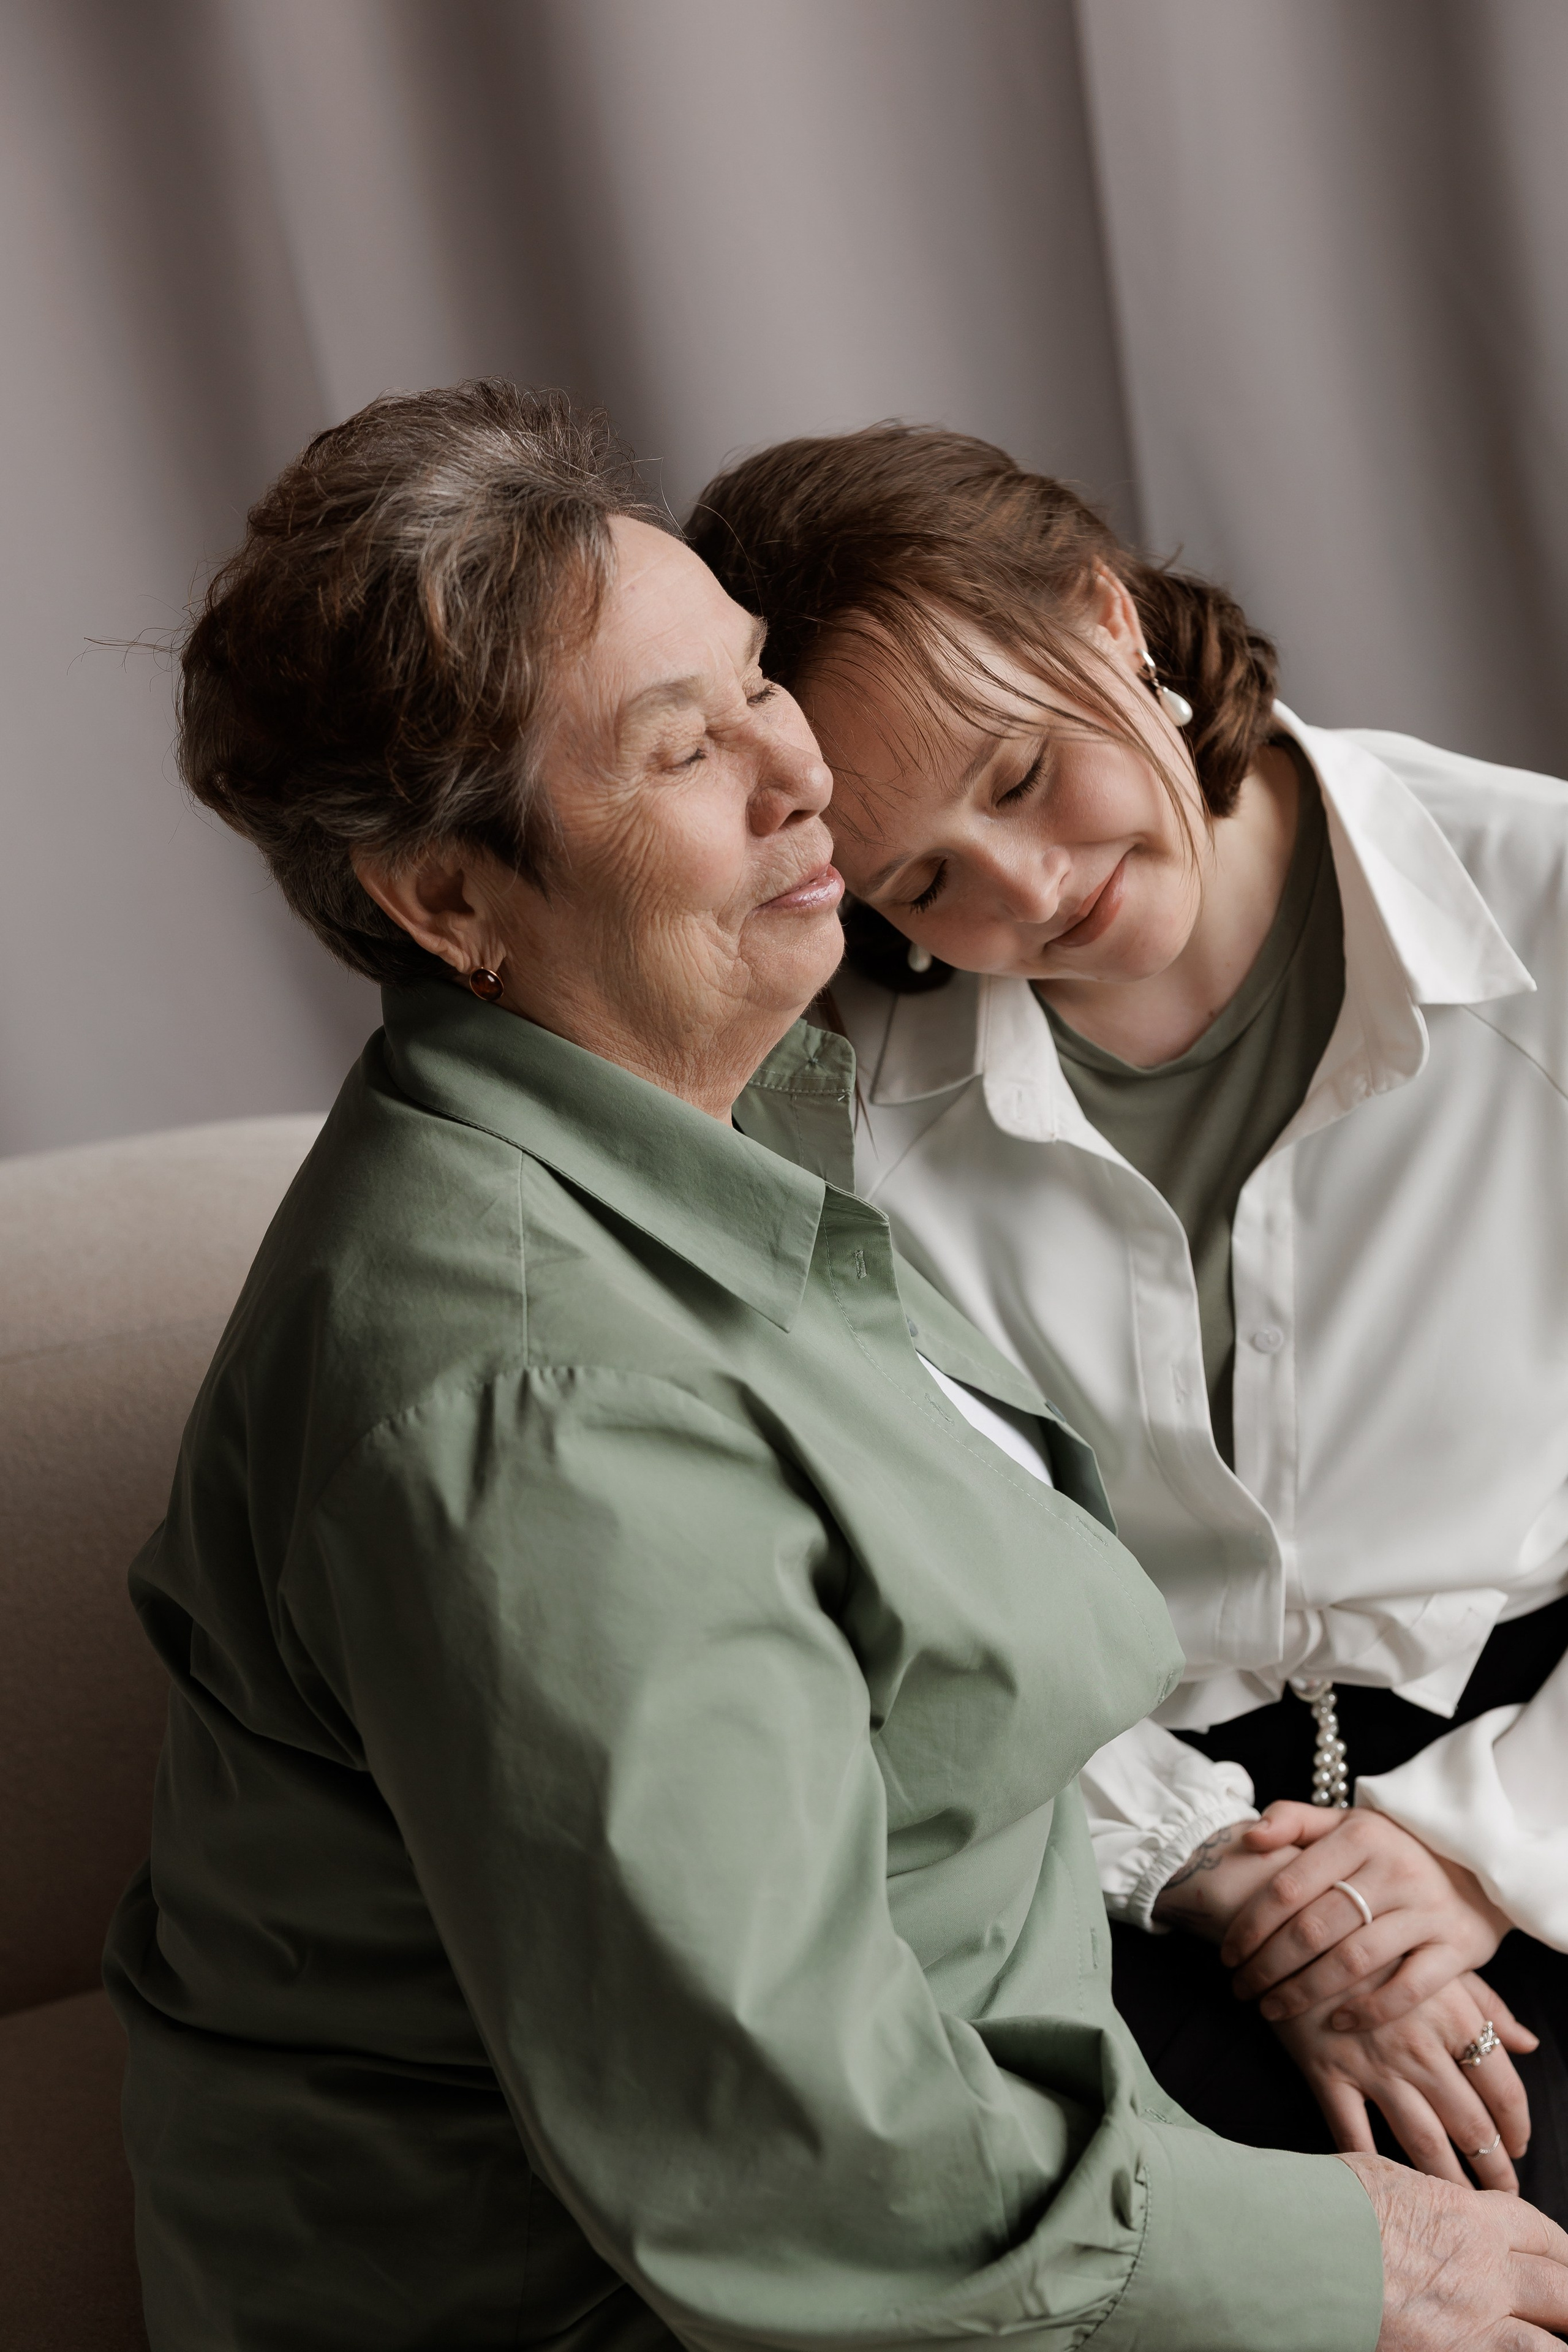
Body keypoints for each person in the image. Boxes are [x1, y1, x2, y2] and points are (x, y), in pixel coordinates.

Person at [104, 382, 1566, 2352]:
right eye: (682, 746)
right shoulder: (542, 1400)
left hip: (1016, 2118)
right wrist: (1343, 2263)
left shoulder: (733, 1130)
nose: (808, 785)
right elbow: (782, 2162)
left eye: (750, 687)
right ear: (446, 902)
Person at [687, 423, 1568, 2224]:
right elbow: (884, 1570)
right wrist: (1208, 1866)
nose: (1019, 896)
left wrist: (1476, 1848)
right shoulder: (827, 1091)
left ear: (1109, 615)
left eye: (1021, 774)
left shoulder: (1549, 893)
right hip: (1102, 1829)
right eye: (920, 880)